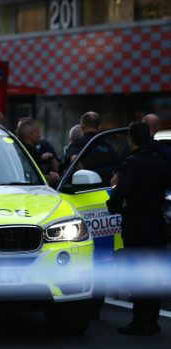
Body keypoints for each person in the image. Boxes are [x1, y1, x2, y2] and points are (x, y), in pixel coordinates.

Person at [107, 121, 171, 336]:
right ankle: (151, 321)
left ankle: (139, 321)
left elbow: (121, 192)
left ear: (131, 139)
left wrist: (112, 205)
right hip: (156, 223)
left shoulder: (132, 163)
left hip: (136, 224)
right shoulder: (161, 161)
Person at [16, 118, 60, 186]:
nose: (40, 135)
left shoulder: (25, 150)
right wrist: (52, 178)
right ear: (31, 135)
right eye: (37, 132)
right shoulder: (24, 154)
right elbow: (31, 177)